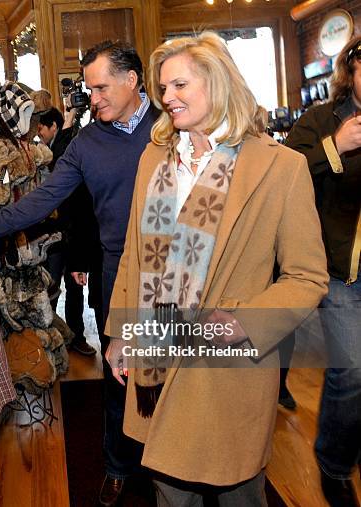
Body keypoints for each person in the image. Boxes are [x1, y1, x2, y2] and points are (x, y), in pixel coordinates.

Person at [104, 32, 328, 506]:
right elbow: (136, 253)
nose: (167, 98)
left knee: (238, 492)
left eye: (180, 85)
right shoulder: (155, 158)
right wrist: (119, 333)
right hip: (156, 354)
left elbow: (306, 275)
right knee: (170, 490)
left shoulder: (280, 167)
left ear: (218, 82)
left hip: (228, 366)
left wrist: (245, 323)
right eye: (163, 88)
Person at [0, 40, 161, 506]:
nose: (95, 98)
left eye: (101, 87)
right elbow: (42, 199)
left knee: (171, 375)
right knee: (120, 375)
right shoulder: (88, 142)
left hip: (177, 273)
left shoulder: (170, 127)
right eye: (89, 90)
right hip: (117, 272)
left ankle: (167, 463)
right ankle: (118, 463)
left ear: (132, 80)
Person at [285, 35, 361, 507]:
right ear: (350, 74)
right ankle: (334, 463)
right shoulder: (320, 120)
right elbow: (285, 173)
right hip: (340, 271)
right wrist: (337, 146)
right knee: (352, 370)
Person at [37, 106, 98, 356]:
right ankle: (52, 336)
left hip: (70, 230)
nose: (39, 132)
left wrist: (69, 121)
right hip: (52, 232)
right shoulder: (41, 153)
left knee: (73, 288)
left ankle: (75, 336)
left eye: (41, 127)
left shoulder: (63, 148)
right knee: (51, 286)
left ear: (54, 126)